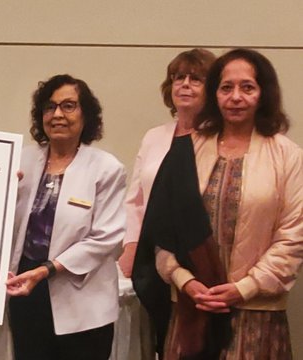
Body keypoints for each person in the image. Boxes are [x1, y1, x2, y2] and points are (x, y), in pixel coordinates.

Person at [143, 48, 303, 359]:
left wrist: (244, 288)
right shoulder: (186, 149)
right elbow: (161, 231)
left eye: (247, 87)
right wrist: (184, 280)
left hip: (257, 315)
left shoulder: (288, 156)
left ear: (263, 94)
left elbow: (293, 235)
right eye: (226, 87)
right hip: (192, 310)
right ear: (215, 93)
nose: (236, 97)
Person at [5, 74, 126, 360]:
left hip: (83, 302)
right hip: (26, 293)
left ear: (86, 116)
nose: (57, 114)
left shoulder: (106, 168)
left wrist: (47, 269)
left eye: (69, 106)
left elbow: (105, 238)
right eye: (50, 107)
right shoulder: (20, 160)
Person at [123, 48, 215, 356]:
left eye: (196, 79)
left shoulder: (219, 139)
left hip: (202, 258)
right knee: (164, 341)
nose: (184, 84)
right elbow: (135, 199)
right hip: (154, 257)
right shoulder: (154, 136)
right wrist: (130, 247)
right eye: (178, 78)